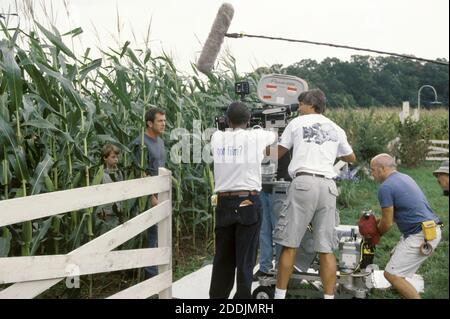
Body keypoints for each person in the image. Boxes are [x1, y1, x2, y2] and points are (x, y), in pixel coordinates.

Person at [273, 89, 356, 299]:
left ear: (311, 105)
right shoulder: (336, 128)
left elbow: (278, 153)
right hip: (328, 187)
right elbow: (351, 157)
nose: (298, 108)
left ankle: (279, 297)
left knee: (290, 243)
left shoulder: (297, 123)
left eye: (300, 104)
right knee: (326, 248)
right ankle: (329, 297)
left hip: (303, 184)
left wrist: (257, 148)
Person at [209, 101, 277, 299]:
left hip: (223, 202)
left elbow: (224, 130)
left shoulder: (216, 137)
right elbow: (273, 134)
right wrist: (259, 123)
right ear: (248, 120)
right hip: (248, 201)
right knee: (245, 260)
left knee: (223, 259)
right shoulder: (256, 136)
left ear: (228, 120)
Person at [370, 153, 442, 299]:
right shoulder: (404, 177)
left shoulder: (386, 187)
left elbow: (387, 223)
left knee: (391, 274)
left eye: (372, 170)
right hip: (430, 229)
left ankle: (401, 286)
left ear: (382, 169)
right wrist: (373, 222)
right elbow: (394, 214)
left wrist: (374, 235)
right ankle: (398, 289)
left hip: (422, 235)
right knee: (394, 256)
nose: (372, 174)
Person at [131, 107, 166, 279]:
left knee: (160, 234)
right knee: (153, 235)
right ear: (149, 123)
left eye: (164, 120)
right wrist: (151, 196)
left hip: (162, 194)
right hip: (149, 198)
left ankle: (158, 273)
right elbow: (140, 171)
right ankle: (151, 277)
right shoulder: (141, 143)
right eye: (160, 121)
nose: (163, 124)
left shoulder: (160, 141)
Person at [253, 152, 292, 280]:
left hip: (281, 187)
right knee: (263, 230)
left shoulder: (286, 136)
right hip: (262, 187)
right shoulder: (261, 135)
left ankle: (281, 269)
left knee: (280, 230)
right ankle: (265, 268)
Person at [96, 143, 124, 234]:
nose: (116, 159)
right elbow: (97, 194)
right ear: (105, 158)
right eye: (113, 157)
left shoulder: (119, 173)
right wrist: (100, 210)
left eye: (117, 157)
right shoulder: (101, 175)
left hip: (118, 213)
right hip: (107, 214)